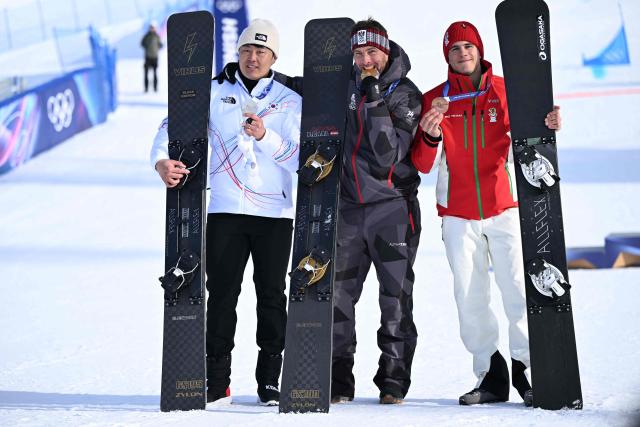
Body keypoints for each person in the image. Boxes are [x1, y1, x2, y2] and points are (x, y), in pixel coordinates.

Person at [150, 19, 301, 406]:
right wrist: (161, 161)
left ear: (274, 57)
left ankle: (269, 381)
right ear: (238, 53)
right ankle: (217, 382)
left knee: (271, 297)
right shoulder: (212, 91)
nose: (253, 58)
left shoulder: (289, 98)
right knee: (221, 297)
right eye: (247, 50)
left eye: (261, 52)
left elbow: (301, 158)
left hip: (274, 215)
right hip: (225, 211)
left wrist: (266, 137)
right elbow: (170, 126)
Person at [411, 21, 562, 407]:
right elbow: (423, 164)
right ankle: (490, 376)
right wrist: (429, 133)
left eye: (468, 46)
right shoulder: (436, 99)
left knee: (517, 289)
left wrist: (551, 122)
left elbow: (533, 135)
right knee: (470, 297)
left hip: (504, 208)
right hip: (458, 215)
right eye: (455, 48)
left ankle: (527, 370)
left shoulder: (504, 91)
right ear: (447, 55)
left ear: (479, 50)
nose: (462, 53)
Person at [330, 18, 423, 405]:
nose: (366, 60)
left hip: (392, 208)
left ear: (385, 51)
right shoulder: (343, 84)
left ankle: (393, 380)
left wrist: (372, 96)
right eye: (359, 53)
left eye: (372, 52)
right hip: (349, 208)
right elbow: (302, 93)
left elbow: (388, 154)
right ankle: (337, 379)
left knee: (394, 298)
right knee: (336, 295)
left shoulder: (405, 94)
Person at [141, 22, 162, 92]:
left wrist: (156, 49)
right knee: (146, 73)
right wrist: (147, 48)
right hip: (148, 57)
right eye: (151, 27)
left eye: (153, 28)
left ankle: (155, 88)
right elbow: (142, 43)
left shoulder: (157, 36)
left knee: (155, 73)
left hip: (155, 57)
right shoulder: (146, 36)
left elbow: (160, 45)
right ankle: (146, 88)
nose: (152, 29)